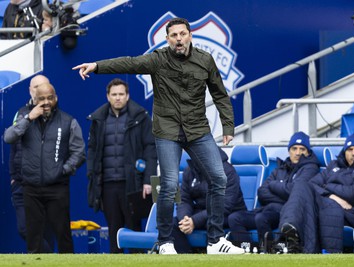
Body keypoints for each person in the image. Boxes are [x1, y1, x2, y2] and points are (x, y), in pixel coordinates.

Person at [72, 17, 244, 255]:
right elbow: (128, 63)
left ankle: (215, 241)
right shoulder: (158, 59)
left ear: (190, 35)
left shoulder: (205, 60)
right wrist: (97, 66)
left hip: (197, 129)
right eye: (174, 36)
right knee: (169, 184)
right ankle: (164, 241)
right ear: (168, 39)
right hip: (168, 130)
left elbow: (220, 94)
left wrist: (228, 126)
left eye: (182, 34)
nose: (179, 39)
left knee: (219, 178)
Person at [4, 82, 86, 253]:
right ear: (34, 100)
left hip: (57, 187)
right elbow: (8, 137)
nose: (46, 102)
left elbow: (79, 152)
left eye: (50, 98)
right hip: (31, 188)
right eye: (42, 99)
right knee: (33, 238)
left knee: (63, 235)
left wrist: (64, 170)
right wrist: (29, 118)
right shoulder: (24, 117)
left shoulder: (67, 120)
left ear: (56, 98)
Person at [275, 133, 354, 253]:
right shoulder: (334, 165)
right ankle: (290, 232)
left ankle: (288, 238)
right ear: (344, 152)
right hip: (328, 203)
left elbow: (353, 193)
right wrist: (331, 195)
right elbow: (312, 183)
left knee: (303, 198)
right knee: (302, 186)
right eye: (350, 149)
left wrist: (326, 186)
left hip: (350, 212)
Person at [86, 78, 157, 253]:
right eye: (114, 94)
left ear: (127, 96)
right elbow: (92, 150)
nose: (118, 98)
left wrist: (148, 180)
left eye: (121, 94)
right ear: (108, 96)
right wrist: (92, 176)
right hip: (108, 185)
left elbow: (150, 149)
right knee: (114, 229)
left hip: (133, 184)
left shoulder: (141, 117)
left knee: (134, 229)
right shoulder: (98, 119)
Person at [228, 132, 320, 252]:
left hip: (286, 212)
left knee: (261, 218)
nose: (297, 153)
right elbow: (261, 192)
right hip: (266, 209)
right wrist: (282, 191)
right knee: (234, 218)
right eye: (294, 148)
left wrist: (274, 185)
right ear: (289, 151)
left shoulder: (310, 168)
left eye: (302, 149)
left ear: (307, 152)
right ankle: (248, 252)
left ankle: (270, 251)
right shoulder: (280, 168)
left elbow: (296, 192)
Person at [8, 75, 55, 252]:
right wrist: (13, 177)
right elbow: (13, 144)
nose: (38, 90)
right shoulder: (20, 113)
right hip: (22, 182)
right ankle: (50, 256)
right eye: (35, 87)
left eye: (42, 86)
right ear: (30, 90)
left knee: (46, 230)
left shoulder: (55, 114)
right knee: (25, 228)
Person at [172, 148, 247, 253]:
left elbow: (224, 205)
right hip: (202, 213)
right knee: (174, 223)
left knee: (212, 222)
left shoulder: (226, 171)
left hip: (228, 214)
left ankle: (212, 259)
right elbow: (184, 199)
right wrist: (185, 219)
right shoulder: (190, 170)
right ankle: (187, 259)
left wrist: (195, 221)